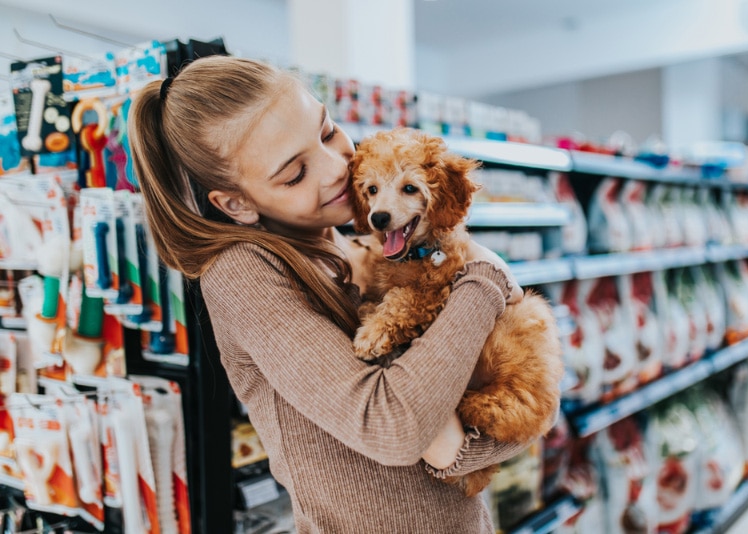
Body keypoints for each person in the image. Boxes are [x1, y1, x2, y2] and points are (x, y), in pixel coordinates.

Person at [129, 55, 537, 533]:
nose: (336, 168)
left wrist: (465, 445)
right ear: (236, 204)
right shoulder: (242, 272)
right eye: (294, 174)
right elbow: (394, 426)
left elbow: (521, 413)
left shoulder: (367, 246)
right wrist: (484, 276)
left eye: (326, 132)